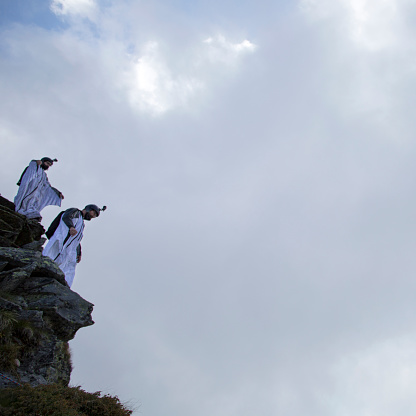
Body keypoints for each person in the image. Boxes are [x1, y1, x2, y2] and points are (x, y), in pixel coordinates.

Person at [43, 204, 107, 287]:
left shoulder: (81, 224)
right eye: (93, 214)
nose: (92, 217)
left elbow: (76, 240)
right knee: (50, 259)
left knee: (67, 269)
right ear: (89, 209)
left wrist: (78, 252)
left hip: (68, 250)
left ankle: (62, 286)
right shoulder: (75, 212)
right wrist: (71, 227)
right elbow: (66, 217)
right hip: (60, 242)